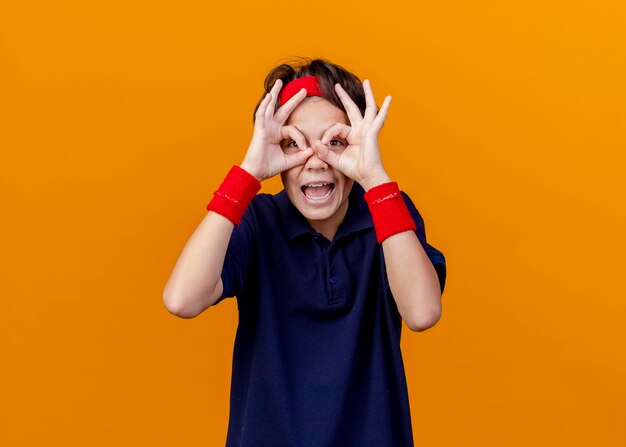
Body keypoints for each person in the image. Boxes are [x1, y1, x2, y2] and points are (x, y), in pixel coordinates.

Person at [163, 57, 447, 447]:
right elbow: (181, 300)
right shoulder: (258, 222)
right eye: (292, 143)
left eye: (336, 142)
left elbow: (422, 312)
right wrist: (246, 174)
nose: (315, 161)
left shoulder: (388, 212)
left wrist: (374, 177)